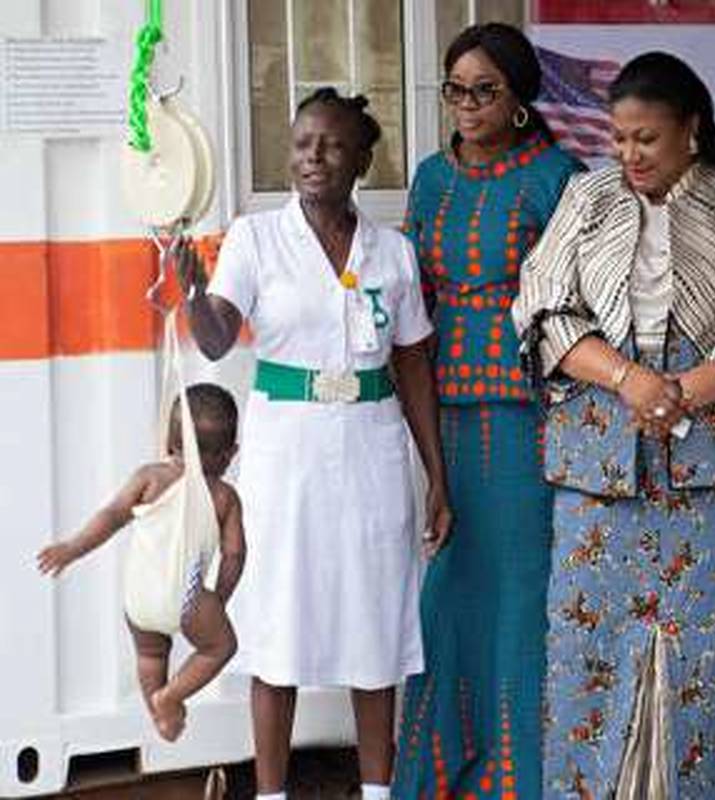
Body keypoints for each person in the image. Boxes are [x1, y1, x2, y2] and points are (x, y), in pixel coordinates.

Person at [513, 51, 715, 798]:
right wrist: (630, 379)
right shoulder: (586, 198)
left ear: (692, 128)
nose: (630, 154)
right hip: (602, 463)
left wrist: (679, 391)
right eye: (619, 138)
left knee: (707, 662)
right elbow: (540, 304)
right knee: (587, 650)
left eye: (646, 138)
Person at [175, 88, 450, 800]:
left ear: (362, 159)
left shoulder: (393, 252)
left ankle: (377, 791)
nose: (313, 157)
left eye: (331, 145)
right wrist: (193, 292)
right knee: (279, 623)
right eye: (302, 144)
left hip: (370, 447)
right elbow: (215, 338)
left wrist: (437, 476)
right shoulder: (256, 238)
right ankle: (271, 794)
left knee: (374, 623)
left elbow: (412, 364)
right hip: (286, 453)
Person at [391, 23, 584, 799]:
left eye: (485, 91)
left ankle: (521, 779)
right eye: (456, 90)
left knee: (523, 591)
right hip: (446, 408)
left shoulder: (559, 177)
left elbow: (583, 300)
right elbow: (413, 301)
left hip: (531, 412)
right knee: (450, 590)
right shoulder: (431, 179)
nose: (468, 106)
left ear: (521, 99)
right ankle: (441, 773)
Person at [37, 384, 244, 743]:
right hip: (186, 599)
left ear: (169, 442)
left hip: (139, 598)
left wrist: (71, 548)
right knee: (220, 647)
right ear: (230, 454)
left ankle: (160, 718)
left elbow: (111, 516)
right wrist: (217, 601)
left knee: (150, 655)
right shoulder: (224, 496)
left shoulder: (149, 478)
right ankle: (170, 698)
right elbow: (235, 554)